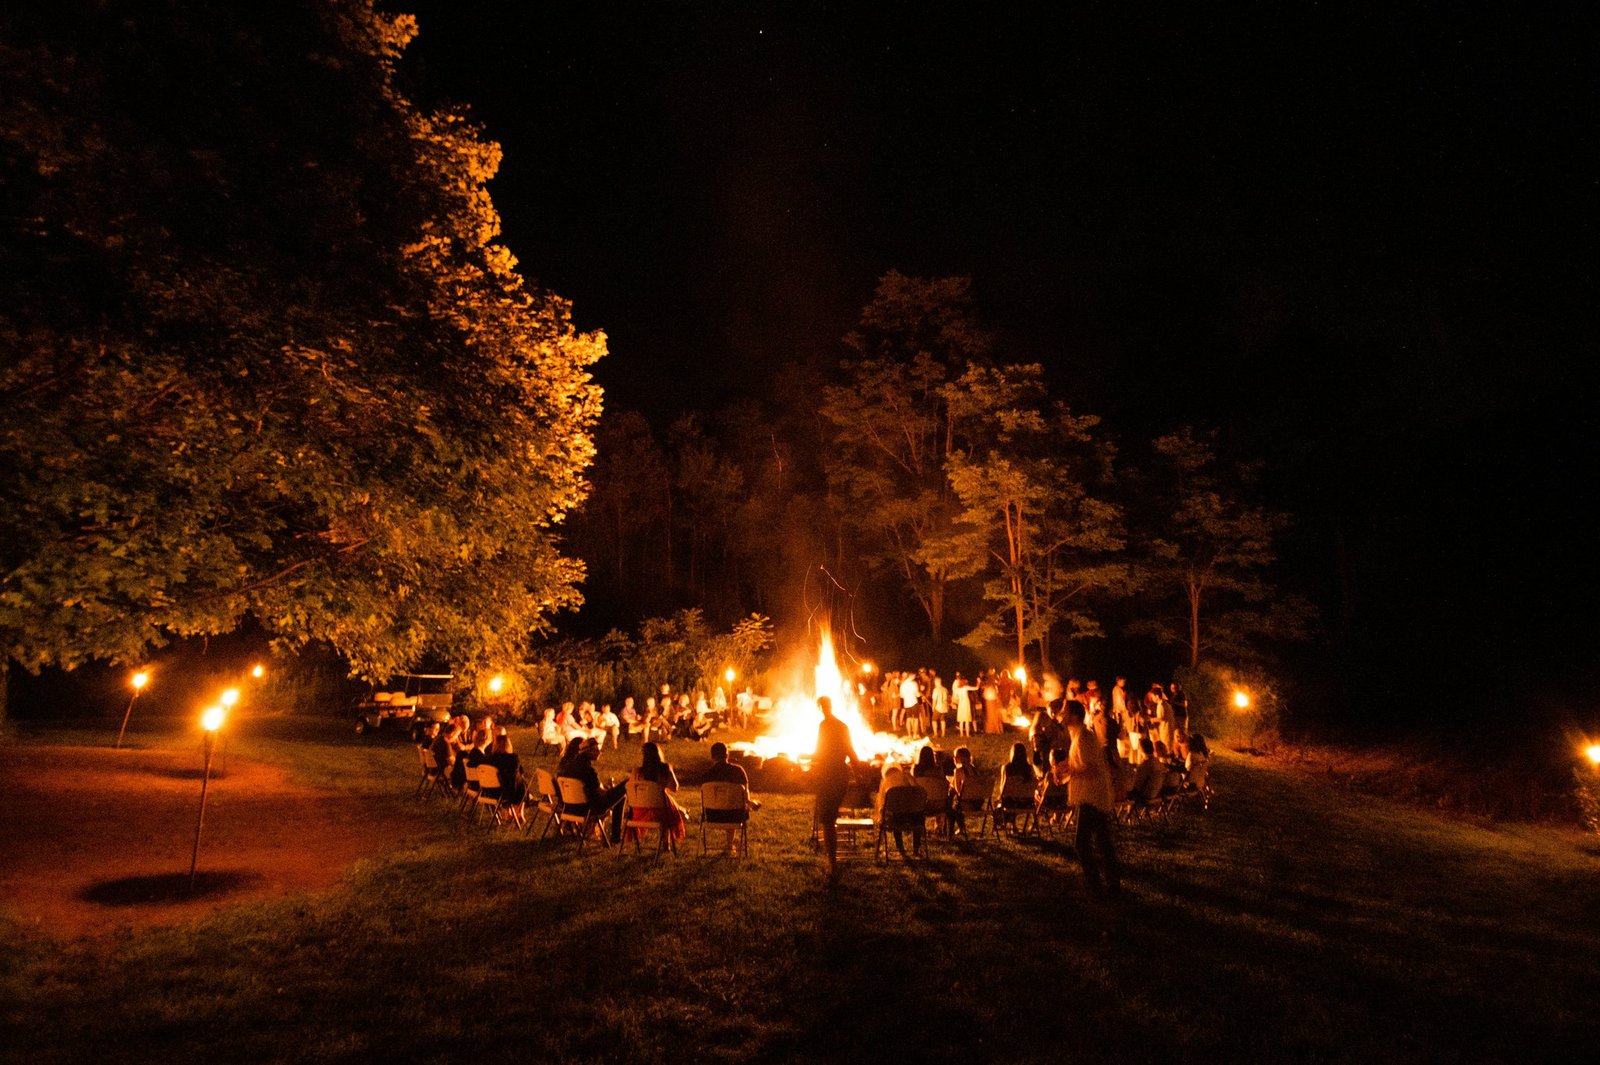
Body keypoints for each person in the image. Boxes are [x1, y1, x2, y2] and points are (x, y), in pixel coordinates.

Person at [1062, 700, 1121, 898]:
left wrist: (1070, 770)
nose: (1062, 715)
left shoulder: (1084, 738)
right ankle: (1112, 886)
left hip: (1091, 797)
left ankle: (1096, 887)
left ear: (1076, 716)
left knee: (1082, 844)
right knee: (1103, 843)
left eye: (1065, 712)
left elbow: (1092, 768)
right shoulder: (1079, 736)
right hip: (1094, 796)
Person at [812, 695, 860, 880]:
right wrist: (858, 773)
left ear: (820, 707)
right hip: (841, 774)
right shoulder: (843, 726)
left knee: (827, 819)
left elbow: (820, 752)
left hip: (827, 774)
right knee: (830, 816)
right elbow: (851, 752)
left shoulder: (824, 726)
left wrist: (807, 756)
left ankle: (832, 863)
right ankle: (832, 861)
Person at [564, 737, 626, 840]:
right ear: (588, 752)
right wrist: (610, 790)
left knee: (616, 792)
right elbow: (600, 793)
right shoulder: (588, 770)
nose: (599, 753)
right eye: (596, 750)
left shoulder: (570, 766)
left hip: (571, 806)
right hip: (591, 807)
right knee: (623, 790)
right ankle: (616, 836)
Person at [626, 741, 686, 844]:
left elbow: (631, 790)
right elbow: (675, 788)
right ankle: (665, 843)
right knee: (670, 809)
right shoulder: (664, 769)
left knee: (668, 807)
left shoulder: (637, 771)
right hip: (660, 811)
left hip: (640, 811)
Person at [702, 741, 756, 854]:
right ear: (727, 755)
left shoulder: (707, 775)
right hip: (735, 816)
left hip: (712, 815)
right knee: (732, 805)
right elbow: (745, 797)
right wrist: (752, 803)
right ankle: (729, 844)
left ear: (712, 757)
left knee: (727, 804)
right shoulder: (738, 771)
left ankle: (729, 845)